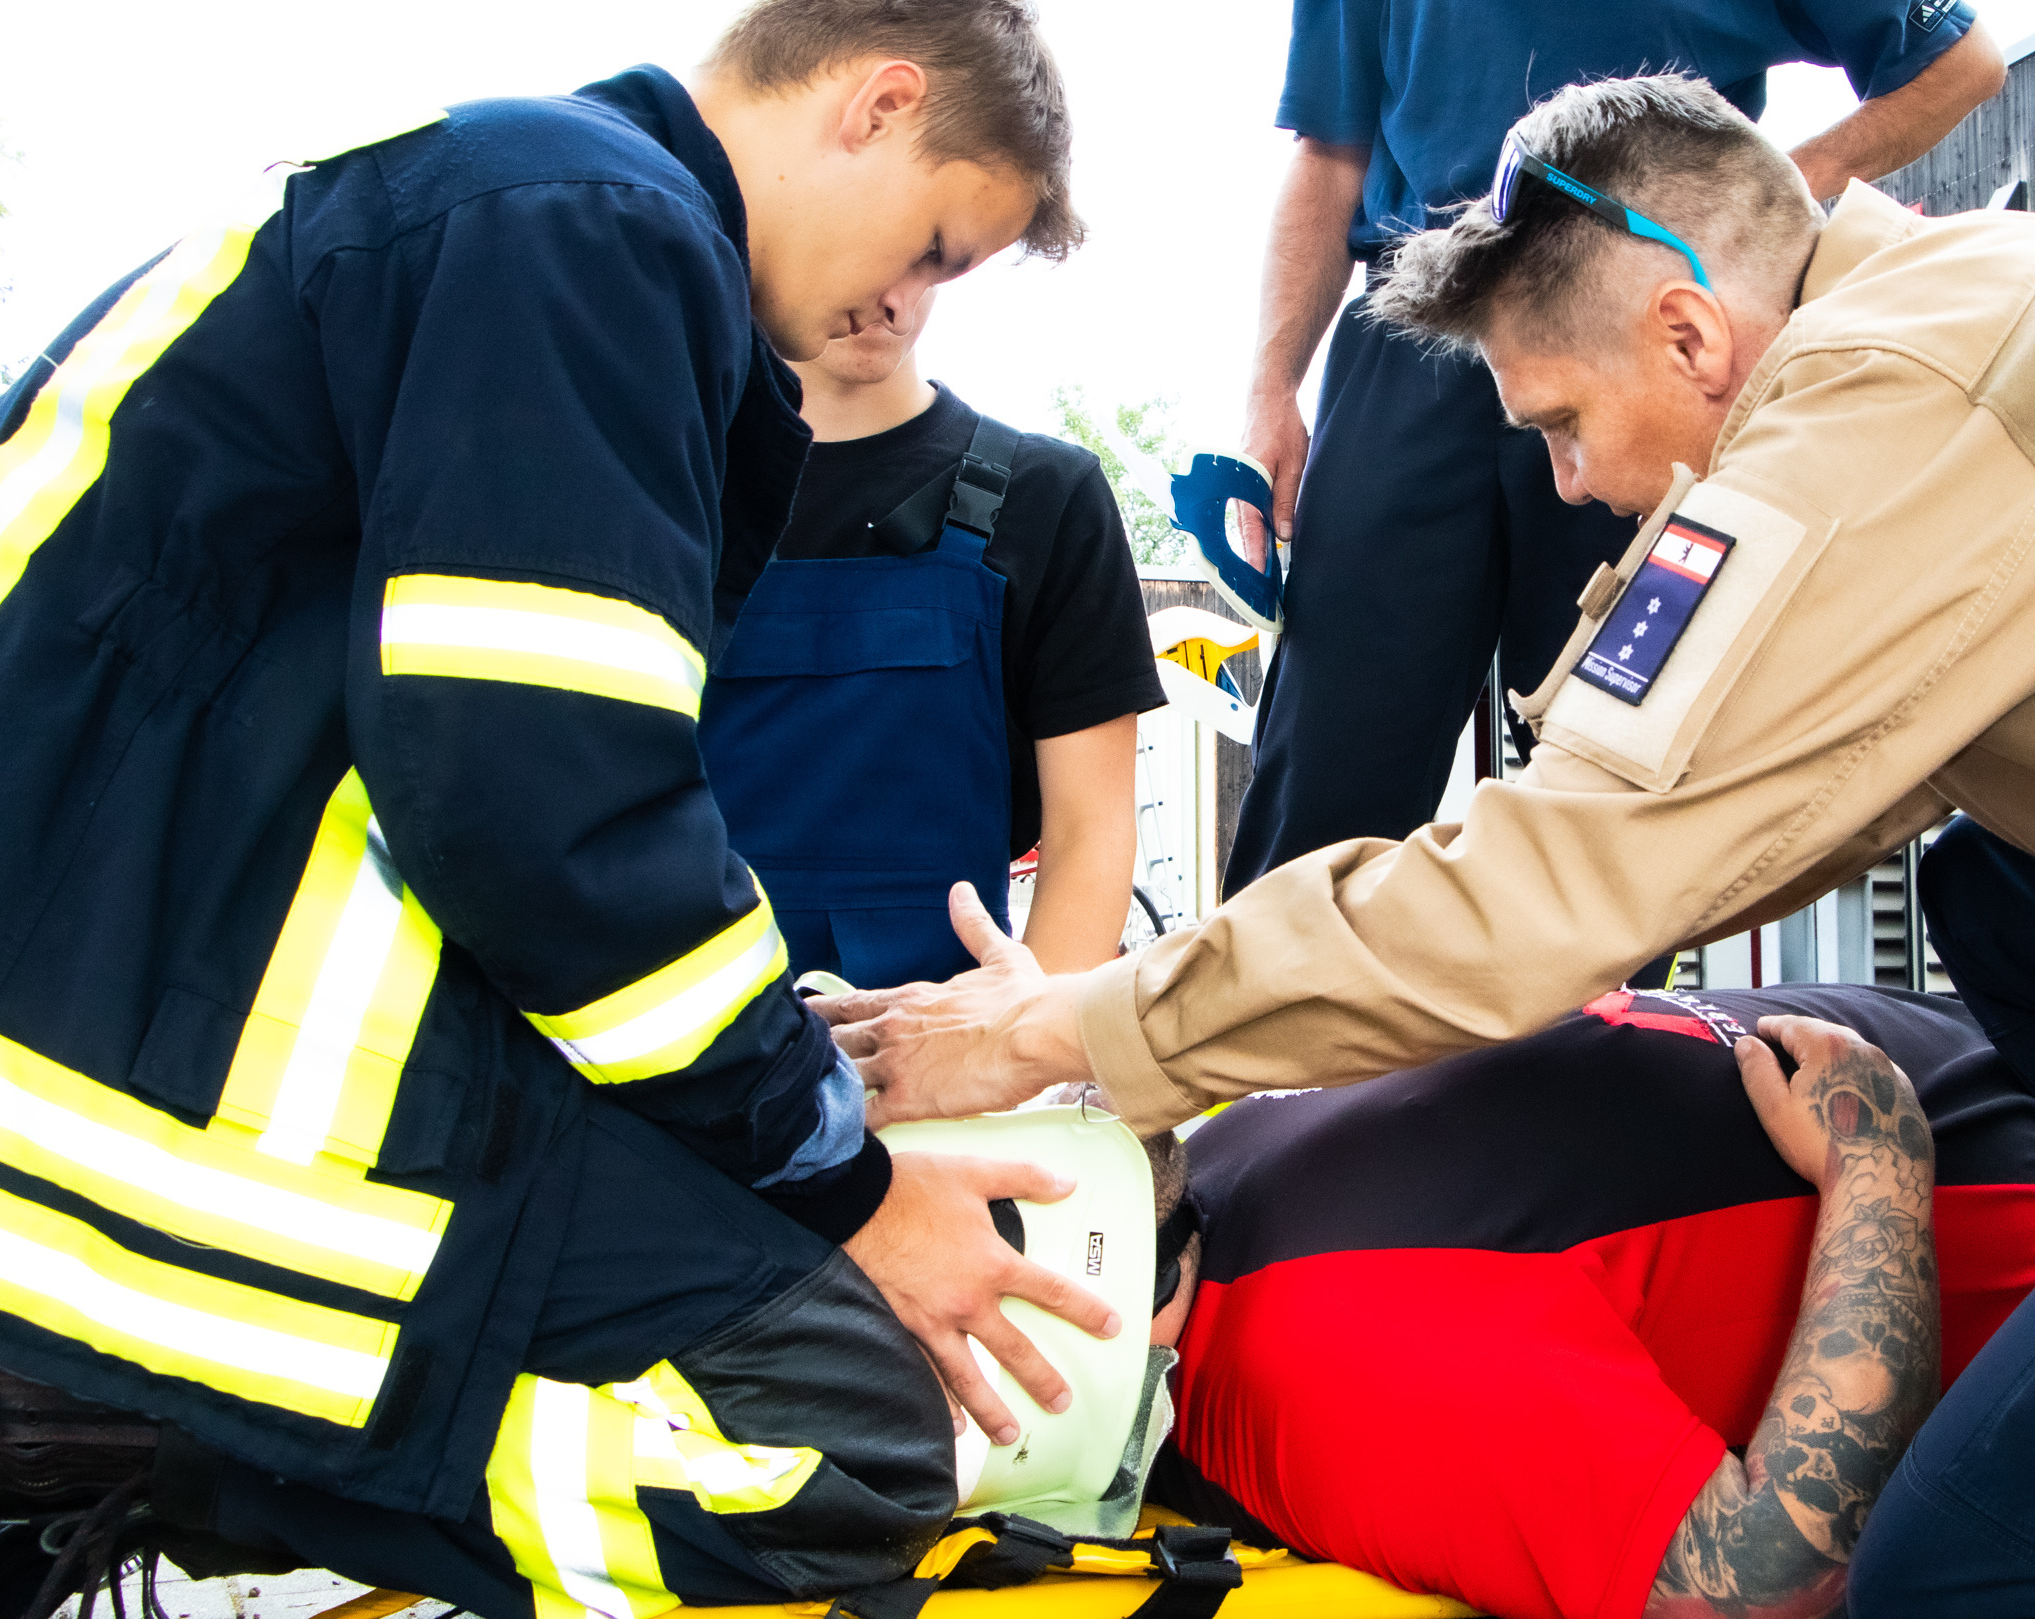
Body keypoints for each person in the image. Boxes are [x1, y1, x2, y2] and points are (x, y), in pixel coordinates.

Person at [814, 72, 2035, 1612]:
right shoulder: (1943, 308)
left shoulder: (1891, 399)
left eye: (1563, 424)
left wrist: (1060, 1028)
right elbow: (1695, 831)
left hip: (1942, 1133)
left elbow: (1558, 878)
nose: (1571, 485)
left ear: (1686, 333)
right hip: (1956, 1074)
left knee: (1936, 1583)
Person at [0, 1, 1129, 1611]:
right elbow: (544, 797)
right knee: (851, 1432)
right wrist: (840, 1176)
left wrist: (776, 1067)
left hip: (117, 999)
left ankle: (119, 1426)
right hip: (140, 1087)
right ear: (878, 102)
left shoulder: (506, 196)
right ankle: (127, 1429)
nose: (907, 299)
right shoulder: (599, 229)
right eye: (937, 244)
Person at [1222, 0, 2005, 893]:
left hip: (1627, 323)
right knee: (1327, 751)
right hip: (1418, 313)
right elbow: (1331, 152)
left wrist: (1752, 199)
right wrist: (1271, 385)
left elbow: (1960, 62)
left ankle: (1608, 993)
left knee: (1624, 765)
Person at [1146, 984, 2035, 1619]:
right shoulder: (1322, 1370)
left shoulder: (1211, 1162)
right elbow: (1761, 1577)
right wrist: (1878, 1169)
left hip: (1980, 1045)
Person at [699, 284, 1162, 984]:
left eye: (926, 249)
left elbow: (1088, 834)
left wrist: (1018, 1038)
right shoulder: (658, 497)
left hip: (955, 1036)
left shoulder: (1049, 498)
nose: (888, 294)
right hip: (681, 1025)